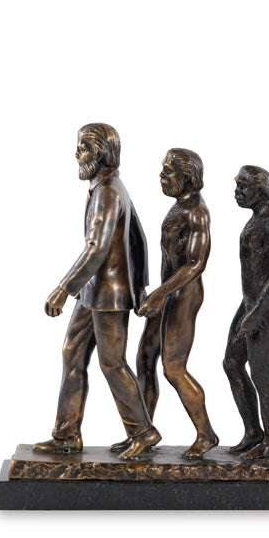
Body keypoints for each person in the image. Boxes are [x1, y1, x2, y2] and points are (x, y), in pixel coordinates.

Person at [34, 123, 160, 457]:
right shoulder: (105, 186)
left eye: (83, 148)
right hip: (92, 291)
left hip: (108, 295)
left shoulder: (109, 192)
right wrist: (139, 286)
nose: (76, 154)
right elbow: (139, 239)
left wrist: (63, 289)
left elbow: (97, 248)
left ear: (101, 152)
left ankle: (143, 432)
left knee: (112, 363)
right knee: (72, 354)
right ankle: (66, 435)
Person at [132, 148, 219, 459]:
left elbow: (195, 264)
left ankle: (206, 434)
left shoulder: (196, 212)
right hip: (167, 292)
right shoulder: (179, 206)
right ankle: (142, 433)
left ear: (188, 178)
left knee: (173, 368)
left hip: (184, 295)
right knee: (145, 358)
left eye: (169, 171)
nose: (162, 175)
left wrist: (159, 294)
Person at [223, 166, 269, 459]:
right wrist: (249, 309)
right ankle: (253, 433)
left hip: (267, 304)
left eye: (243, 186)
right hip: (249, 302)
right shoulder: (256, 219)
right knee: (231, 363)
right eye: (237, 185)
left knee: (262, 375)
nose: (237, 191)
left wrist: (256, 314)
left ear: (261, 190)